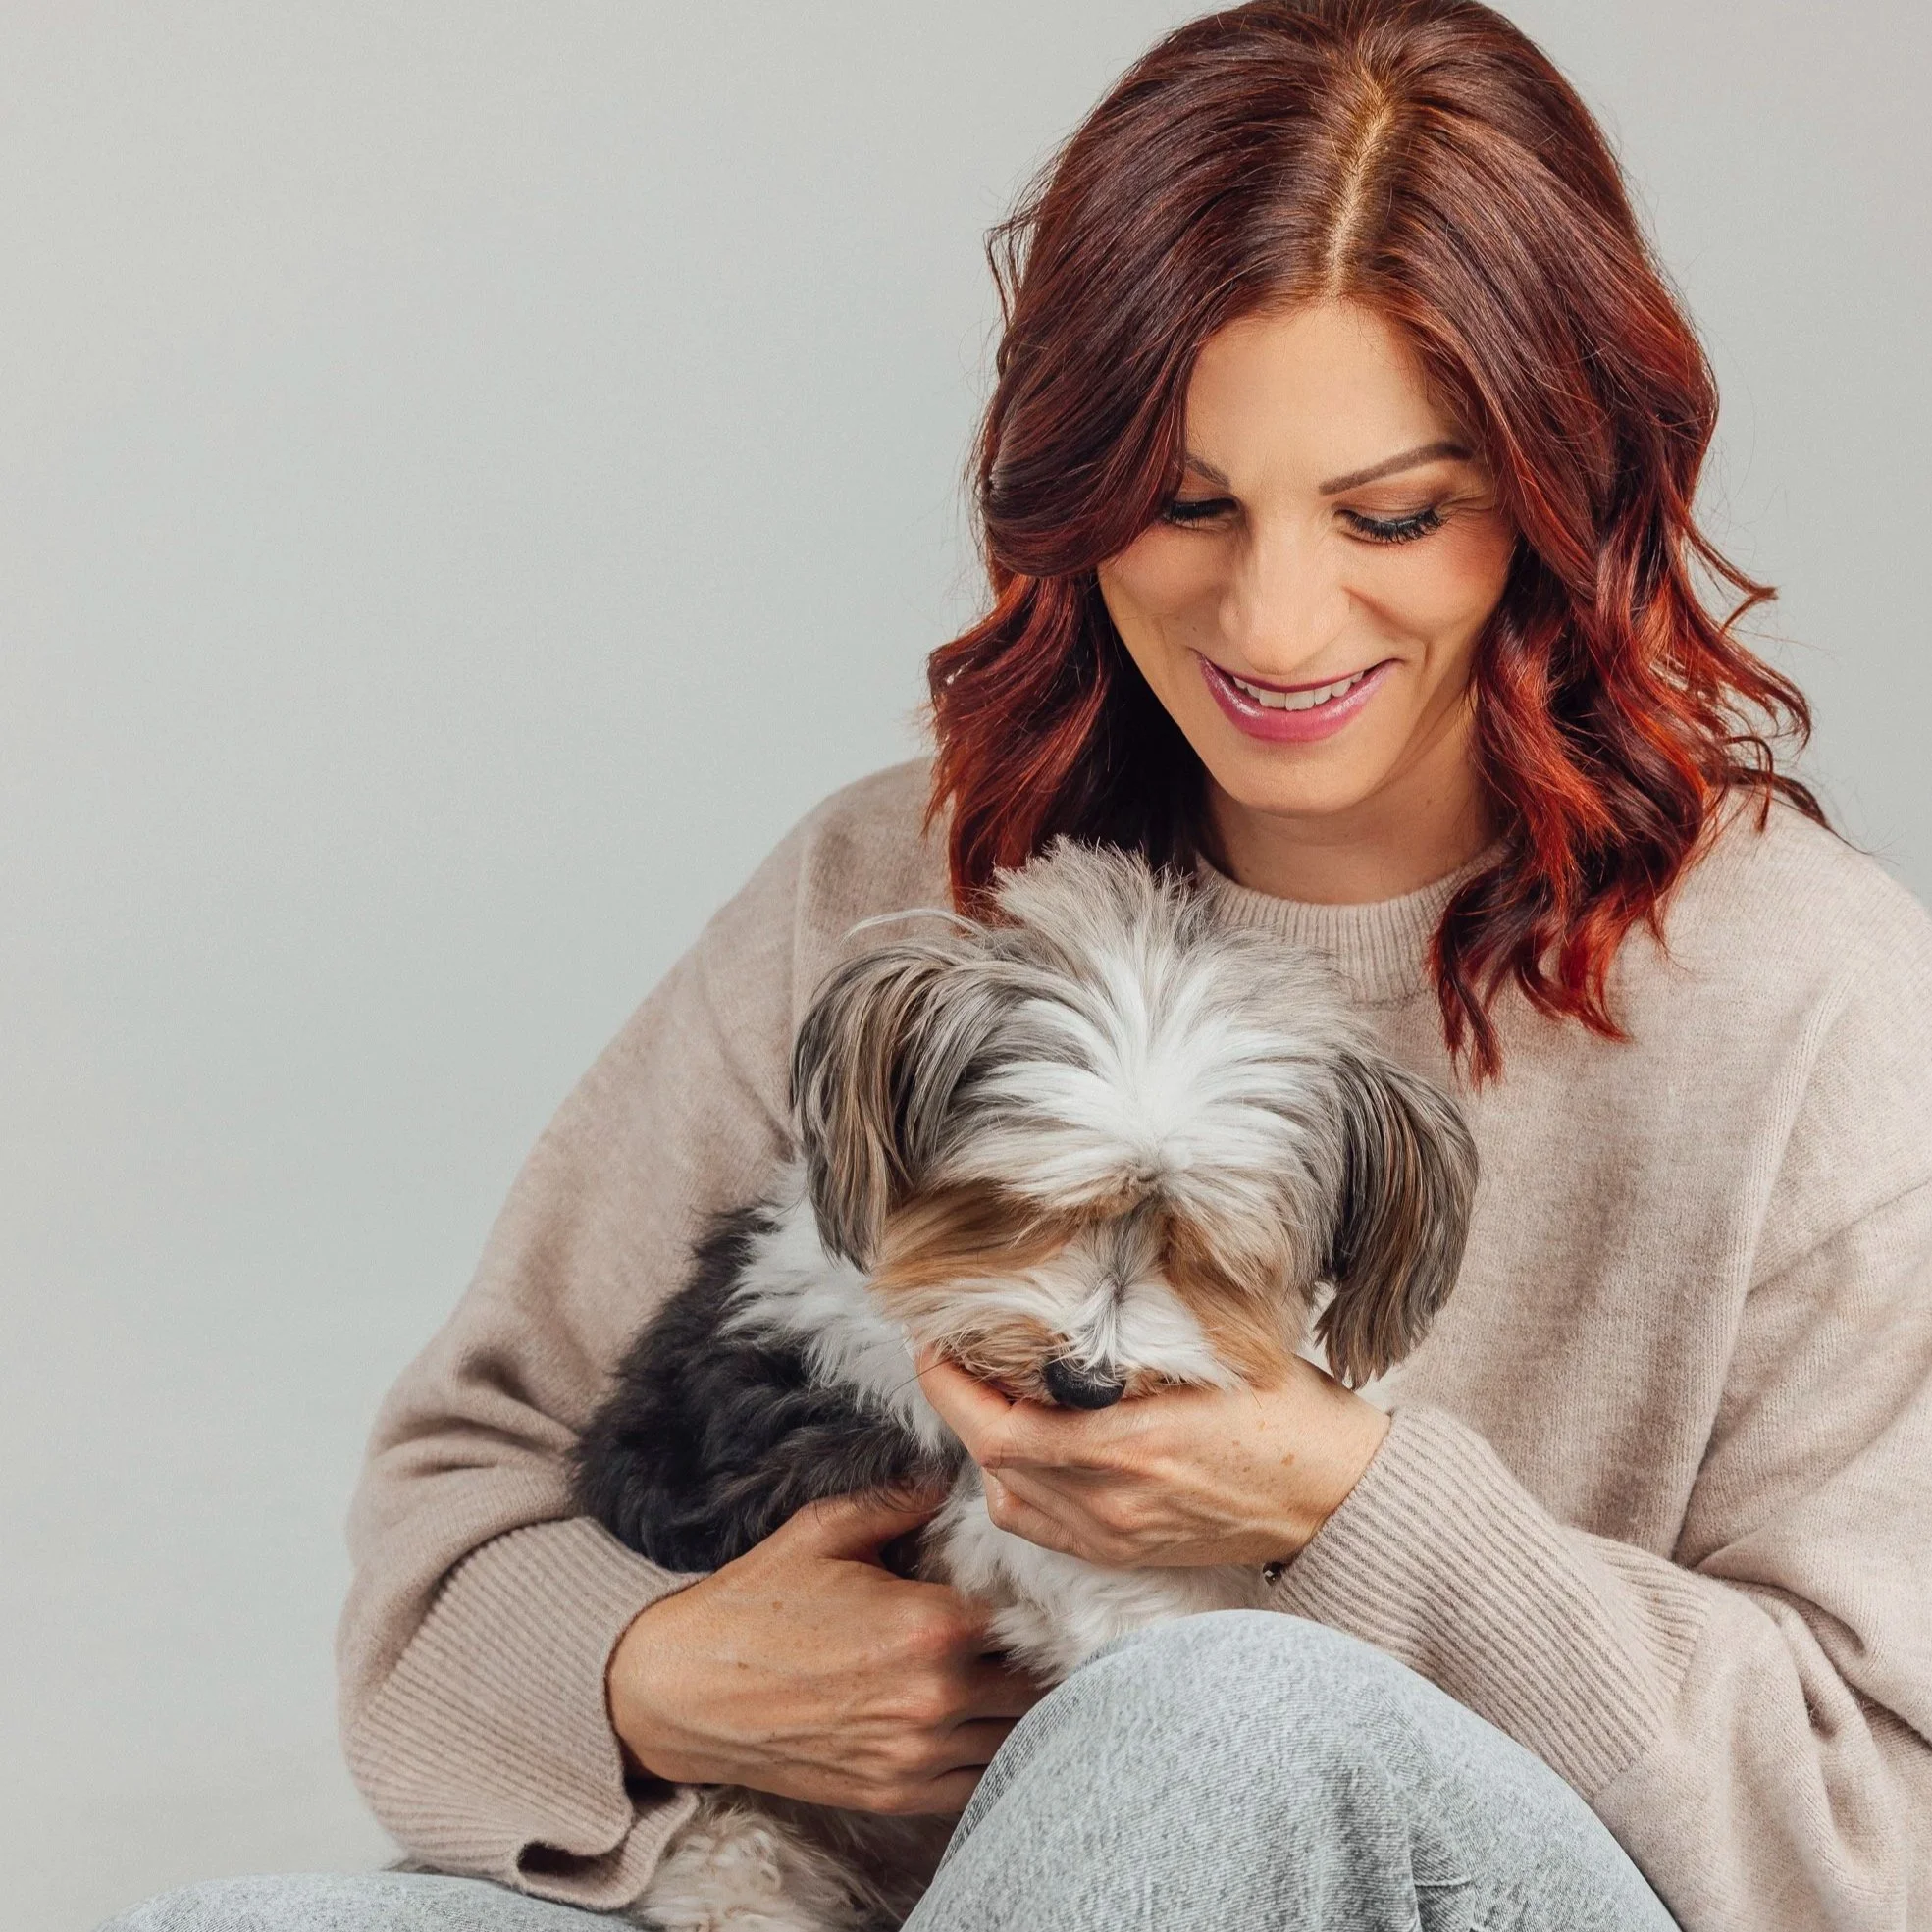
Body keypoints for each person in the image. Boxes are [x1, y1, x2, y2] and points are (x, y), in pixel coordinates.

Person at [110, 1, 1931, 1928]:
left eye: (1394, 513)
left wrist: (1349, 1505)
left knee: (1213, 1718)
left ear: (1565, 493)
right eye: (1187, 503)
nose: (1278, 619)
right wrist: (659, 1670)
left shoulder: (1809, 1003)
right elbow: (455, 1522)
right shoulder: (890, 892)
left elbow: (1878, 1832)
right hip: (862, 1887)